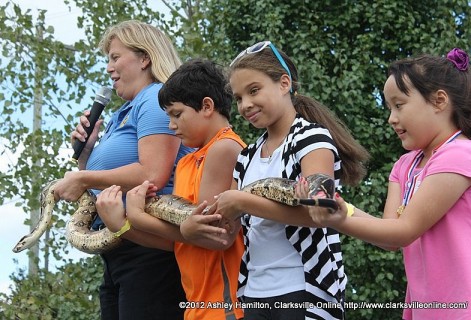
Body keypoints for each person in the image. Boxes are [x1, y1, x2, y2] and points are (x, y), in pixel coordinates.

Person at [302, 48, 471, 319]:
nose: (391, 118)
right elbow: (390, 236)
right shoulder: (404, 166)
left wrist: (337, 220)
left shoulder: (462, 155)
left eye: (399, 105)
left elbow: (404, 230)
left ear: (439, 101)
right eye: (389, 107)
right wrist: (339, 207)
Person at [209, 41, 369, 320]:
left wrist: (243, 201)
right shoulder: (246, 156)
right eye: (238, 98)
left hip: (304, 288)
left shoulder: (312, 139)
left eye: (254, 90)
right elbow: (230, 227)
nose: (245, 104)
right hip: (254, 292)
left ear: (284, 84)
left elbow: (320, 213)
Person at [53, 20, 191, 319]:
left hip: (151, 253)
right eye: (108, 59)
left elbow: (153, 174)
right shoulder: (121, 113)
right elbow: (96, 186)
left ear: (145, 58)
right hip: (119, 250)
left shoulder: (157, 98)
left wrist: (83, 176)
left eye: (115, 57)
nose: (108, 68)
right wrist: (87, 152)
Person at [96, 59, 246, 320]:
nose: (171, 126)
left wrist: (138, 218)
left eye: (177, 114)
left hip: (225, 307)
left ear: (207, 106)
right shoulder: (187, 161)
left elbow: (214, 237)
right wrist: (122, 226)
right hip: (195, 307)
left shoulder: (224, 148)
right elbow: (180, 242)